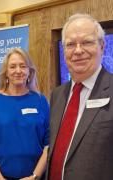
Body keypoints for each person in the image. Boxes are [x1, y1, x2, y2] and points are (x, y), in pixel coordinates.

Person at [46, 13, 113, 180]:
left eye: (87, 42)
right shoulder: (57, 95)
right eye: (70, 44)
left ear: (102, 46)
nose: (78, 51)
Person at [0, 48, 49, 180]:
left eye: (23, 66)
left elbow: (49, 143)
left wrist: (35, 176)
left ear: (29, 71)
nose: (18, 71)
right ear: (6, 72)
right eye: (12, 66)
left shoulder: (40, 100)